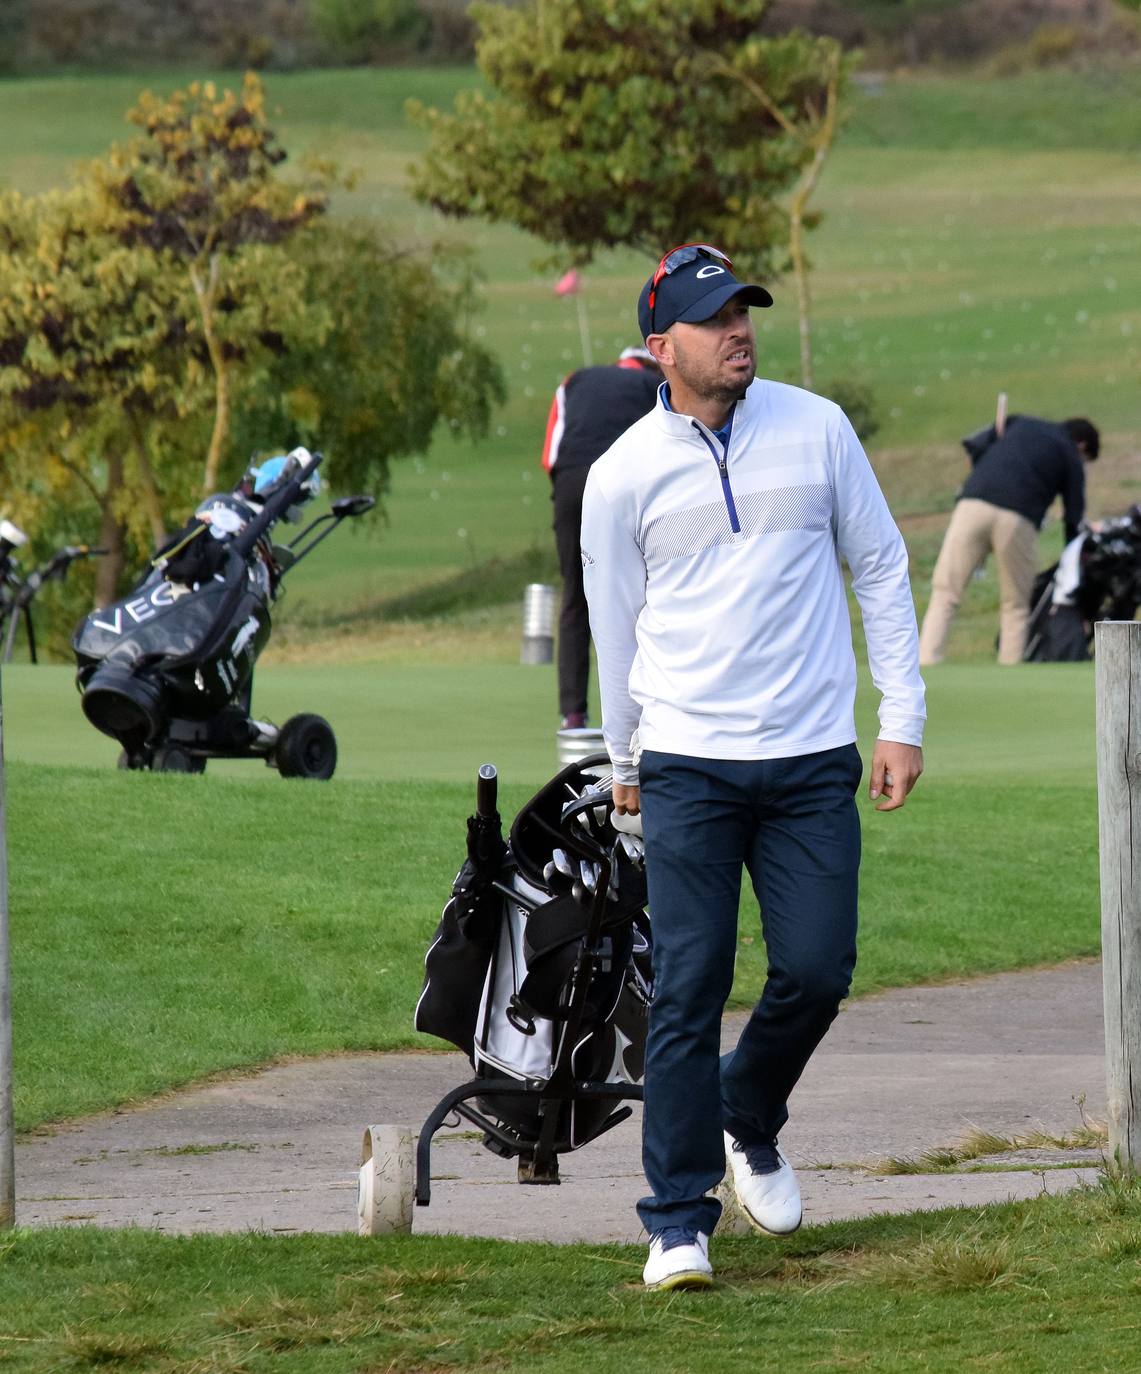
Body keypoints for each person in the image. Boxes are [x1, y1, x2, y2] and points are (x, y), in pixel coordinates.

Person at [580, 244, 925, 1292]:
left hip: (812, 757)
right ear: (659, 348)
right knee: (687, 986)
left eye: (743, 310)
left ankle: (747, 1112)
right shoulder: (620, 476)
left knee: (818, 969)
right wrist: (624, 756)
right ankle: (676, 1220)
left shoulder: (816, 428)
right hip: (687, 763)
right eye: (711, 317)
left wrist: (900, 716)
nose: (738, 329)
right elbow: (615, 627)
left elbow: (877, 564)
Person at [918, 413, 1099, 666]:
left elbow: (977, 445)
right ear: (1082, 445)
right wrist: (1074, 555)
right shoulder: (1070, 453)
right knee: (1015, 603)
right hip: (1017, 518)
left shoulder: (1018, 423)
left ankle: (926, 661)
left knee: (945, 591)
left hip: (972, 503)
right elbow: (1073, 516)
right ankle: (1010, 667)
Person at [541, 348, 662, 729]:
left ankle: (573, 715)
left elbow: (550, 455)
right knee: (642, 596)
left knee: (575, 599)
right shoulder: (655, 384)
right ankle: (645, 712)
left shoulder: (573, 381)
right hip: (622, 483)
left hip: (571, 483)